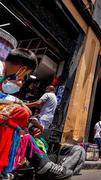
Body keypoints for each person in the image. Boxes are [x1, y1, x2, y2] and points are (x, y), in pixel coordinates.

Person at [0, 48, 72, 179]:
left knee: (23, 119)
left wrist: (28, 114)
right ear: (22, 68)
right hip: (43, 118)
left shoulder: (4, 77)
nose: (21, 80)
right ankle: (41, 164)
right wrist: (22, 106)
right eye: (24, 75)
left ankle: (41, 163)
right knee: (20, 113)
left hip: (42, 118)